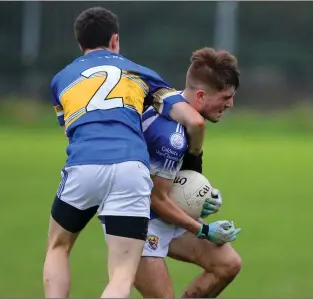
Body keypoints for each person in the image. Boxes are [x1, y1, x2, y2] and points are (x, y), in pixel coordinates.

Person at [43, 7, 210, 299]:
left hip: (83, 164)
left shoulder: (61, 79)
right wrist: (194, 161)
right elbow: (194, 120)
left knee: (58, 247)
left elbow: (70, 128)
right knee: (121, 276)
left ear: (80, 43)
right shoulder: (141, 72)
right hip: (132, 169)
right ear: (115, 40)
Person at [133, 47, 243, 298]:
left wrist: (203, 196)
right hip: (137, 222)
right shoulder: (171, 136)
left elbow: (178, 177)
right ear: (202, 95)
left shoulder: (184, 114)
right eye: (226, 97)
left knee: (227, 264)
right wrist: (203, 230)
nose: (231, 105)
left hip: (165, 215)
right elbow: (156, 199)